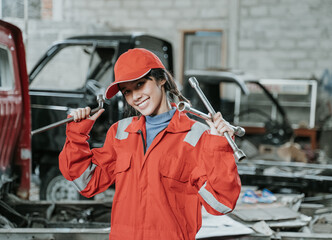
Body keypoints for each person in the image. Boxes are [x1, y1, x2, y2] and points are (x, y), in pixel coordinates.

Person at [59, 48, 241, 240]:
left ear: (161, 79)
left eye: (140, 84)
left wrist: (219, 147)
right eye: (127, 91)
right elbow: (86, 183)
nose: (135, 97)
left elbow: (221, 203)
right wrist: (77, 134)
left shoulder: (197, 136)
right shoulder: (121, 133)